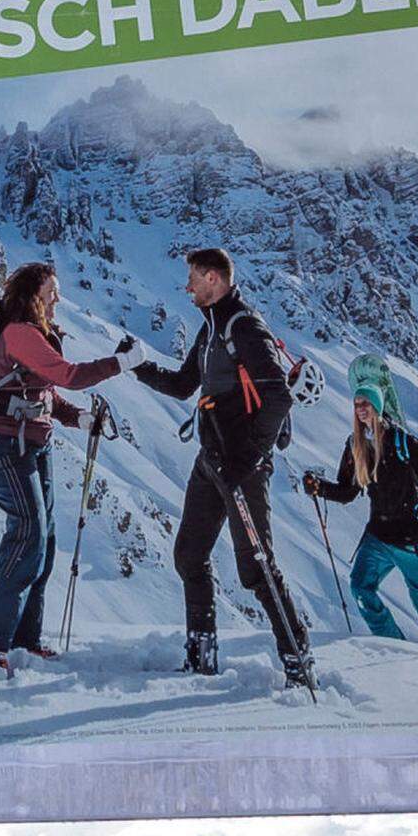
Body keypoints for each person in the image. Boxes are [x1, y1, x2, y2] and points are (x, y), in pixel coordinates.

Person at [134, 247, 313, 687]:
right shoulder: (211, 328)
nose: (187, 286)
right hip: (211, 461)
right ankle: (202, 655)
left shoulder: (244, 327)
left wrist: (246, 459)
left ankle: (299, 663)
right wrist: (137, 366)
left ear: (214, 278)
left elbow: (278, 397)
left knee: (257, 568)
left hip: (242, 466)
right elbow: (181, 384)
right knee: (189, 556)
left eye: (193, 277)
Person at [0, 261, 141, 669]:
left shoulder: (35, 335)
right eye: (52, 291)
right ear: (33, 296)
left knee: (42, 543)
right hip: (6, 446)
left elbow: (43, 393)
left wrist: (76, 418)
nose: (58, 298)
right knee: (27, 534)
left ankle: (24, 640)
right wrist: (121, 363)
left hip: (31, 446)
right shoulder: (19, 333)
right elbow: (69, 375)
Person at [303, 383, 418, 648]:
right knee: (360, 588)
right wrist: (319, 489)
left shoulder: (403, 441)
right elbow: (346, 492)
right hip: (379, 537)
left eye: (365, 403)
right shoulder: (355, 445)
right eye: (357, 404)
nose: (360, 409)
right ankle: (395, 647)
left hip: (413, 540)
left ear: (377, 406)